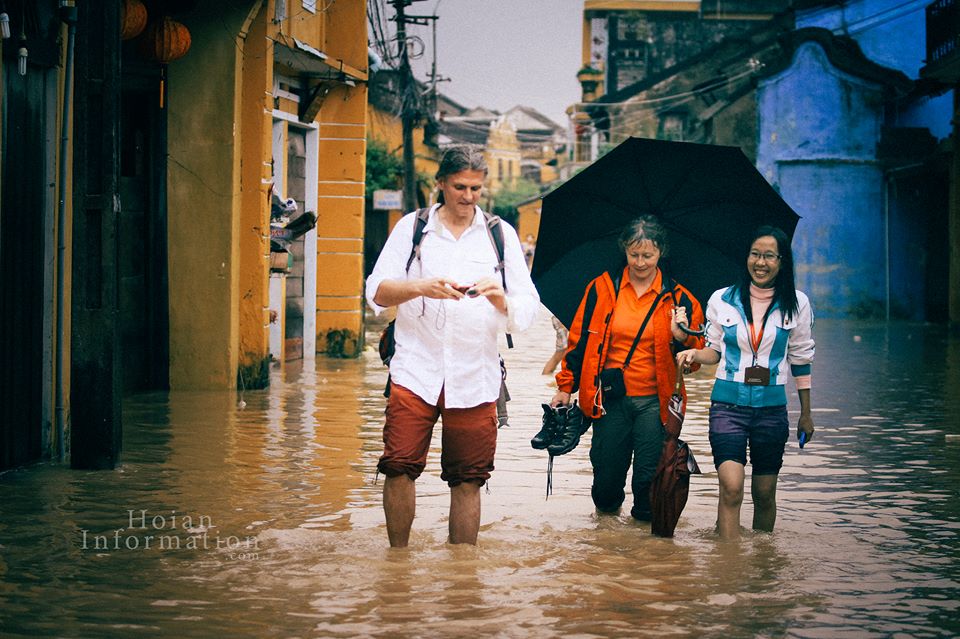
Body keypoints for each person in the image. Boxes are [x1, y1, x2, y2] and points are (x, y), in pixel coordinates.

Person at [365, 146, 540, 547]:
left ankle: (462, 577)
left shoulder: (500, 234)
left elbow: (528, 308)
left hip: (475, 375)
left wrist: (501, 299)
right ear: (440, 184)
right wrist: (420, 287)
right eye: (459, 186)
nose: (468, 196)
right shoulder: (413, 228)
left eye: (476, 188)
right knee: (399, 466)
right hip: (414, 368)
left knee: (468, 479)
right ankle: (398, 564)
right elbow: (375, 291)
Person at [548, 215, 704, 522]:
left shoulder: (680, 298)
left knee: (648, 483)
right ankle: (606, 544)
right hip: (608, 401)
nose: (641, 262)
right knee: (605, 485)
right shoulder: (601, 289)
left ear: (661, 252)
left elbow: (696, 361)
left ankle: (641, 558)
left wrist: (681, 336)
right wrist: (565, 388)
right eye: (634, 255)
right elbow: (578, 343)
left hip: (655, 404)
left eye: (648, 255)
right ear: (624, 250)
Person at [676, 225, 815, 539]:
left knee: (764, 494)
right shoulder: (722, 299)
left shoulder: (798, 303)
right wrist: (693, 355)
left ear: (782, 262)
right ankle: (728, 566)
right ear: (746, 258)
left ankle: (762, 566)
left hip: (772, 410)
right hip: (727, 407)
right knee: (732, 488)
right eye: (755, 254)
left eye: (769, 256)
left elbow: (801, 359)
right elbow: (713, 351)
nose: (760, 262)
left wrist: (806, 413)